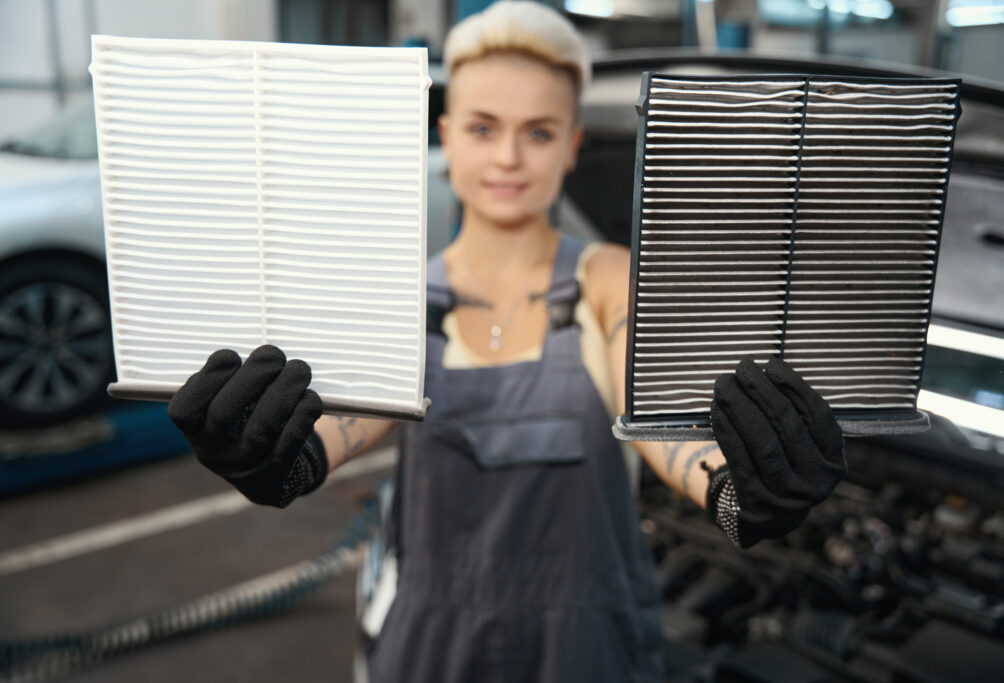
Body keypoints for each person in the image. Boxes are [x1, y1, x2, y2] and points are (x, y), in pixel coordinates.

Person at [167, 2, 847, 681]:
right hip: (431, 638)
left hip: (586, 642)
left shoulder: (608, 281)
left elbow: (666, 432)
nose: (509, 157)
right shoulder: (403, 303)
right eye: (484, 127)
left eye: (539, 132)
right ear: (447, 136)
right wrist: (273, 460)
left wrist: (739, 491)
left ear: (572, 145)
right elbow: (338, 432)